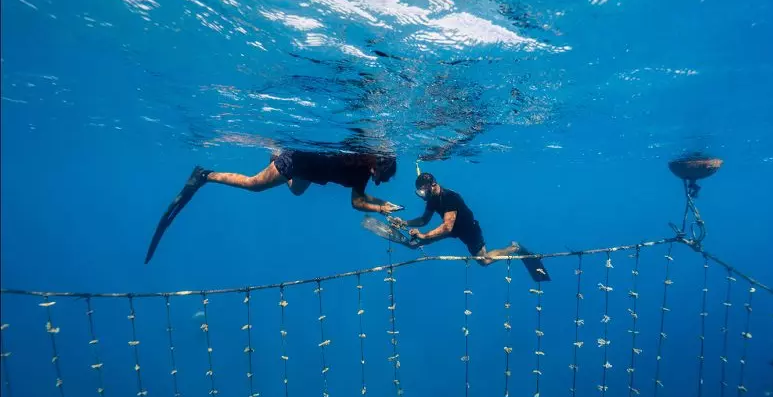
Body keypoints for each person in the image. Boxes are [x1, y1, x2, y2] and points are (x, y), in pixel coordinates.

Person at [144, 149, 402, 264]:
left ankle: (273, 156)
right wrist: (379, 209)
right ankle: (205, 176)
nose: (379, 183)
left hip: (310, 174)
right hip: (298, 162)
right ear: (376, 167)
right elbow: (358, 203)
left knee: (297, 191)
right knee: (254, 184)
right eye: (381, 178)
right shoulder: (357, 158)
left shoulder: (364, 174)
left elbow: (360, 199)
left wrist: (383, 205)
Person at [388, 172, 520, 266]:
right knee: (419, 242)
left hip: (469, 230)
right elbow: (424, 220)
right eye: (419, 193)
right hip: (453, 229)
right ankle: (414, 243)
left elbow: (447, 227)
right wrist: (405, 222)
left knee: (483, 261)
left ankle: (514, 248)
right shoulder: (432, 198)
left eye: (423, 192)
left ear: (433, 185)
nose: (422, 196)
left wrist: (423, 235)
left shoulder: (450, 197)